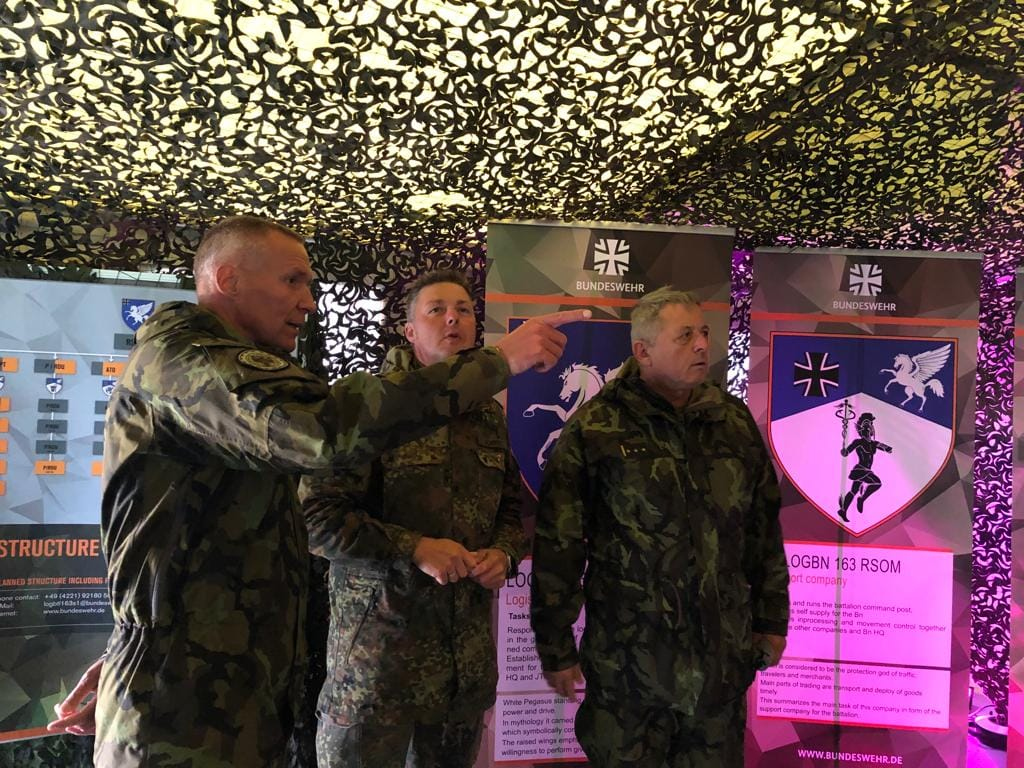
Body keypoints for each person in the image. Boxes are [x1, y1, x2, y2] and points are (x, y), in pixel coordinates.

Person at [45, 215, 586, 768]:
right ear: (228, 279)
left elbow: (186, 547)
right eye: (292, 281)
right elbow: (323, 437)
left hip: (224, 681)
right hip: (202, 700)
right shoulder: (189, 361)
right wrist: (498, 361)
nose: (308, 302)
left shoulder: (224, 373)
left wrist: (137, 649)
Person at [530, 286, 789, 768]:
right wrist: (556, 647)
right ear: (643, 351)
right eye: (685, 335)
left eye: (704, 332)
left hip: (718, 671)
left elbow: (762, 529)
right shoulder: (597, 428)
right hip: (629, 673)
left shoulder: (731, 422)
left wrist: (772, 620)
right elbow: (558, 545)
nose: (702, 345)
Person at [299, 269, 526, 768]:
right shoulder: (369, 407)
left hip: (460, 674)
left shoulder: (487, 414)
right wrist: (414, 548)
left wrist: (504, 554)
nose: (453, 319)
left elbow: (511, 510)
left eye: (464, 310)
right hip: (377, 669)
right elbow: (315, 519)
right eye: (437, 310)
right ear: (408, 330)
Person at [837, 411, 892, 522]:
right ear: (861, 429)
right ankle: (861, 499)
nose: (868, 429)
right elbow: (847, 452)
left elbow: (886, 448)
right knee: (877, 483)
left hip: (865, 470)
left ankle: (843, 510)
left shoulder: (874, 443)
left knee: (853, 491)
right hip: (861, 470)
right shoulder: (858, 442)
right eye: (865, 427)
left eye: (869, 426)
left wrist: (887, 448)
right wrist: (844, 451)